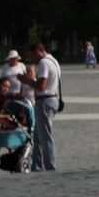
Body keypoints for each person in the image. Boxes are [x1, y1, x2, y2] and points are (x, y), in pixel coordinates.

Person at [18, 40, 60, 170]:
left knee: (45, 136)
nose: (33, 59)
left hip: (44, 100)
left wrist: (26, 80)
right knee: (37, 137)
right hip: (53, 99)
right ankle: (36, 166)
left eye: (32, 55)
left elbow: (41, 86)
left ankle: (50, 166)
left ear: (37, 51)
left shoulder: (44, 63)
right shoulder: (54, 60)